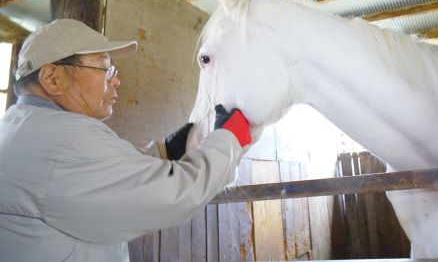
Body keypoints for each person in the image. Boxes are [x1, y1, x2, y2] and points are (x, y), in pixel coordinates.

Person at [0, 18, 252, 262]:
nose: (116, 80)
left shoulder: (21, 126)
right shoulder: (65, 142)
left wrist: (165, 151)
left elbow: (95, 177)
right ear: (52, 78)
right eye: (104, 69)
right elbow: (176, 194)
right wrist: (228, 139)